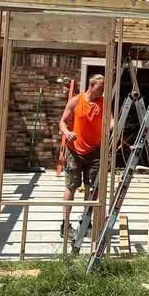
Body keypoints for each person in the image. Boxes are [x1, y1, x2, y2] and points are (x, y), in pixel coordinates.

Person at [59, 73, 106, 239]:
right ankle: (65, 224)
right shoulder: (76, 100)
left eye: (103, 90)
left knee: (91, 187)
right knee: (71, 186)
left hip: (94, 151)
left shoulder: (103, 103)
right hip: (74, 150)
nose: (101, 92)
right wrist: (67, 132)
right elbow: (62, 121)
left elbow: (112, 120)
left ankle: (87, 222)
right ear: (91, 86)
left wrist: (115, 126)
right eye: (99, 89)